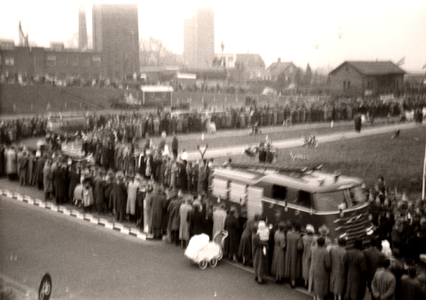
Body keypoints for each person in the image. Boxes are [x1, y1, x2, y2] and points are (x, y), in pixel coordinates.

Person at [284, 222, 302, 287]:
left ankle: (288, 278)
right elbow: (299, 247)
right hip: (295, 253)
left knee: (288, 264)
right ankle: (293, 282)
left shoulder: (288, 234)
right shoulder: (298, 236)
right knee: (294, 267)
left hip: (288, 252)